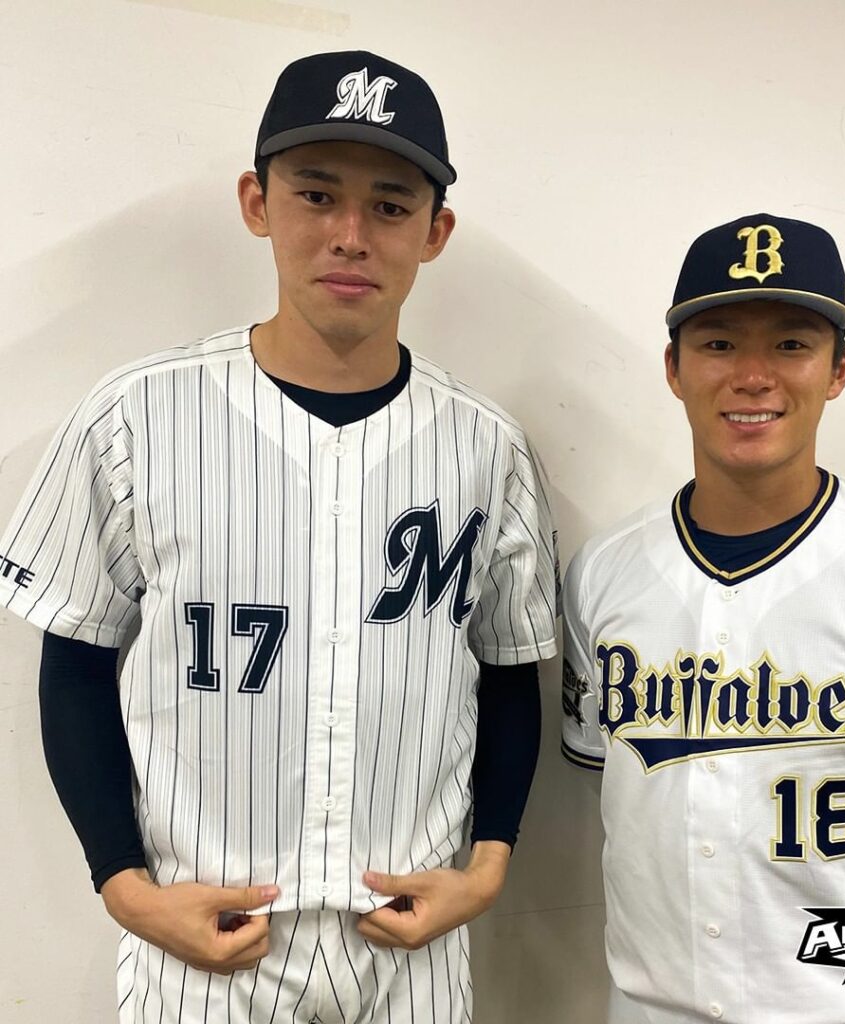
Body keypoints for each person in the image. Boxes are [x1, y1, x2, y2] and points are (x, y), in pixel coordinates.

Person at [0, 50, 557, 1023]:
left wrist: (488, 866)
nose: (350, 235)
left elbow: (507, 671)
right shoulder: (134, 417)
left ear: (435, 231)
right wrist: (124, 888)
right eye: (316, 194)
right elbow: (77, 661)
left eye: (390, 205)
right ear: (257, 203)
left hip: (410, 952)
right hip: (201, 950)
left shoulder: (487, 446)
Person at [560, 214, 845, 1024]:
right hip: (646, 1005)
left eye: (790, 344)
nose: (752, 376)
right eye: (718, 343)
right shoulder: (603, 570)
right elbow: (622, 780)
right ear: (673, 368)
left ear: (838, 368)